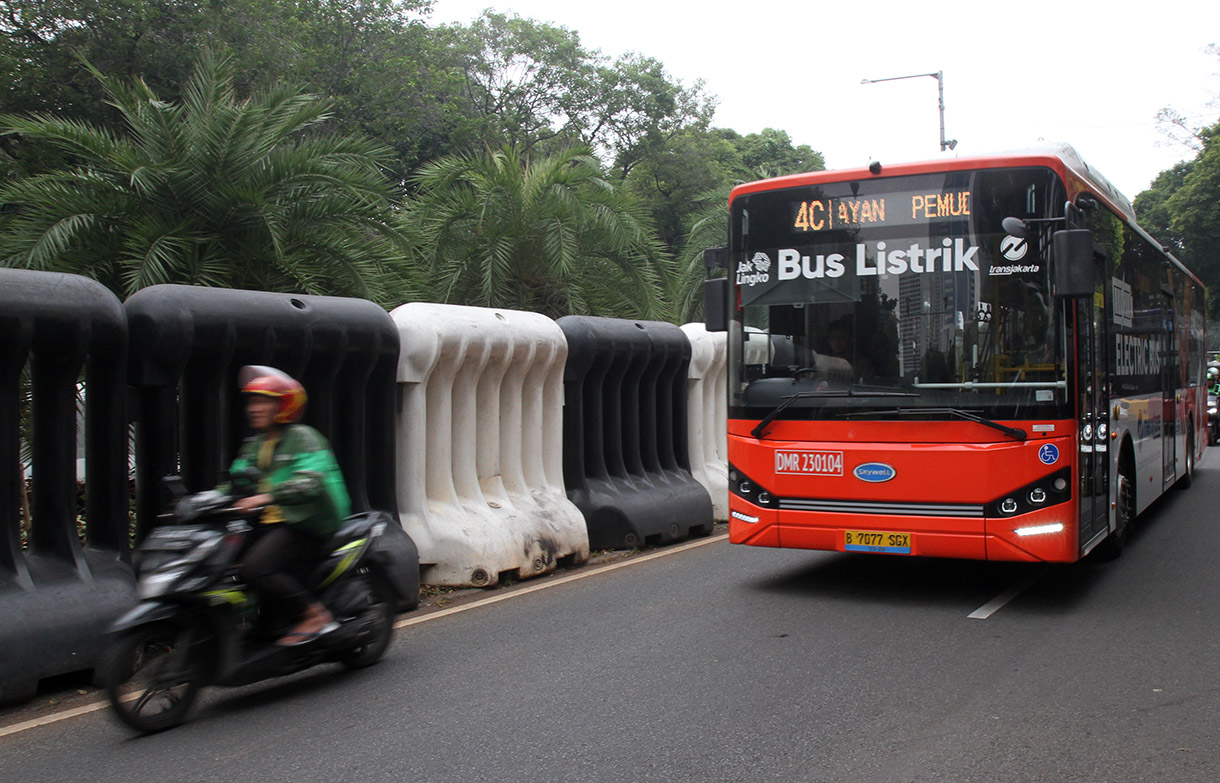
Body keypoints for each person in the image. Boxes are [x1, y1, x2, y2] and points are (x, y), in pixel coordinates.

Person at [228, 366, 351, 646]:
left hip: (305, 522)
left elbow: (311, 480)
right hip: (270, 522)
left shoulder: (303, 438)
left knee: (256, 567)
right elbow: (237, 478)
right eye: (252, 401)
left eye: (263, 401)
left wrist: (267, 496)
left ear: (284, 404)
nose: (254, 408)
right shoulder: (256, 444)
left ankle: (314, 616)